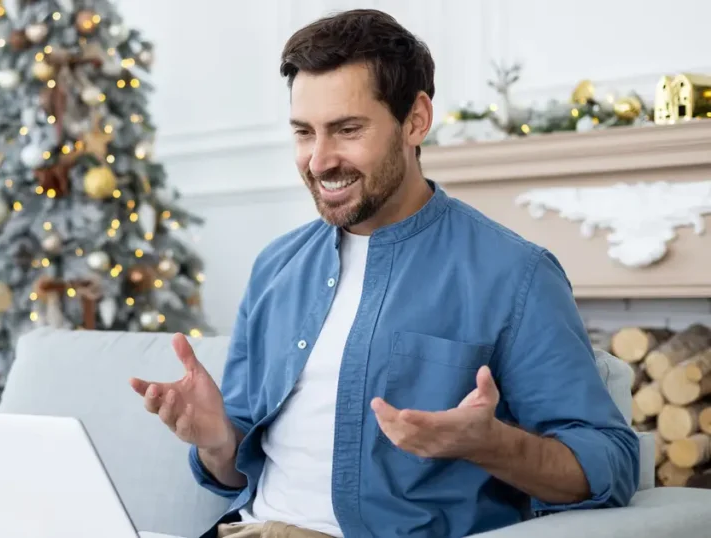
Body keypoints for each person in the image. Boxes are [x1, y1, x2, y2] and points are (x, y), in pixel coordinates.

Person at [129, 8, 639, 538]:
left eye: (347, 130)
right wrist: (216, 441)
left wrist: (491, 444)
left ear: (415, 120)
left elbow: (612, 462)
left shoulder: (515, 274)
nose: (319, 161)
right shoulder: (276, 268)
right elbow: (234, 472)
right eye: (304, 133)